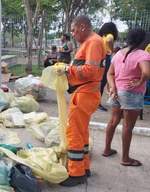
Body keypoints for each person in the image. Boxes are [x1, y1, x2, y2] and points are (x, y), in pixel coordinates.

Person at [55, 16, 106, 187]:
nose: (72, 33)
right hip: (86, 92)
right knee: (82, 132)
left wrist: (68, 68)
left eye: (74, 30)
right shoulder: (92, 42)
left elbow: (90, 71)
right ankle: (84, 168)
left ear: (82, 27)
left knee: (74, 133)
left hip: (85, 93)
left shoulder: (93, 42)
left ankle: (76, 174)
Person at [102, 28, 150, 167]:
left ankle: (107, 149)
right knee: (127, 126)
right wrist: (139, 81)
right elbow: (147, 73)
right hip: (131, 93)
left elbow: (110, 74)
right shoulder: (142, 55)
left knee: (113, 121)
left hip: (116, 92)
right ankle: (125, 158)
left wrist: (112, 86)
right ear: (142, 41)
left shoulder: (118, 54)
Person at [98, 22, 119, 111]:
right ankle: (97, 104)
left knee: (98, 81)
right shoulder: (110, 35)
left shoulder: (101, 36)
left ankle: (95, 102)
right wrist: (112, 49)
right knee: (103, 81)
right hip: (105, 58)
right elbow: (109, 40)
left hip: (99, 58)